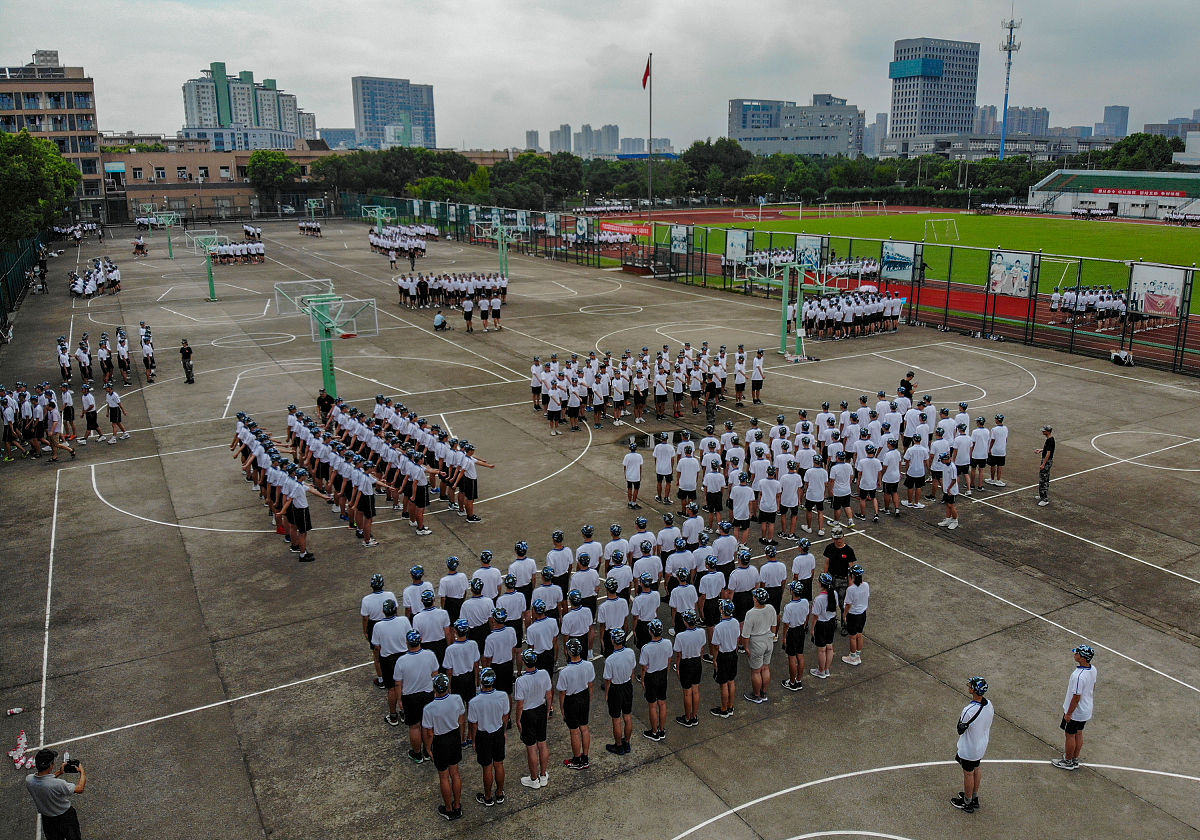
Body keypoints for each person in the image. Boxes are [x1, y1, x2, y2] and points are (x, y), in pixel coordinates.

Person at [423, 673, 467, 821]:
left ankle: (448, 808)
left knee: (444, 776)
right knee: (455, 773)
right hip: (454, 736)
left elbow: (429, 733)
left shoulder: (429, 708)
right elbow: (461, 720)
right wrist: (461, 737)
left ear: (434, 688)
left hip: (440, 740)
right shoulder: (456, 699)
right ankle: (457, 804)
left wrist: (429, 748)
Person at [468, 667, 510, 807]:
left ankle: (487, 796)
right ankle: (499, 792)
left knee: (487, 767)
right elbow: (505, 716)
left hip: (483, 735)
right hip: (498, 732)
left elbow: (473, 725)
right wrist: (503, 731)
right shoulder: (503, 696)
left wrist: (474, 741)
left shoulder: (475, 702)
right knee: (499, 764)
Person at [952, 676, 994, 813]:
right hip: (981, 745)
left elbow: (960, 729)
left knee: (968, 773)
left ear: (974, 690)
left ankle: (967, 802)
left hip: (970, 748)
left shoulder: (969, 710)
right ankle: (974, 797)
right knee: (977, 768)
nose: (968, 686)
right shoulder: (989, 705)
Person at [1052, 645, 1097, 771]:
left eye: (1077, 653)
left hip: (1076, 712)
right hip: (1086, 709)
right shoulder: (1093, 669)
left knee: (1070, 734)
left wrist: (1069, 713)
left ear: (1082, 657)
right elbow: (1092, 687)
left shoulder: (1078, 676)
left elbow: (1076, 697)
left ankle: (1068, 761)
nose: (1074, 654)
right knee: (1079, 732)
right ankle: (1075, 758)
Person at [513, 648, 553, 790]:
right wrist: (548, 710)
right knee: (542, 743)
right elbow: (549, 695)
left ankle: (534, 778)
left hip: (528, 714)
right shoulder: (544, 674)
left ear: (524, 662)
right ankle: (543, 774)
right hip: (541, 710)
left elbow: (520, 704)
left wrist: (518, 720)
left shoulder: (521, 681)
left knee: (531, 747)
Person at [25, 748, 86, 840]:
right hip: (65, 817)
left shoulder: (29, 780)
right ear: (50, 766)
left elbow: (45, 780)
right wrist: (82, 772)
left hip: (47, 819)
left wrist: (60, 772)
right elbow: (80, 789)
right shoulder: (58, 784)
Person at [556, 638, 595, 769]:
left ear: (568, 652)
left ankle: (577, 759)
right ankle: (585, 757)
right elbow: (590, 685)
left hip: (571, 700)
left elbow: (562, 693)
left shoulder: (565, 672)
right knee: (584, 727)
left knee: (574, 731)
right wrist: (588, 699)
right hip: (584, 696)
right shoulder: (588, 665)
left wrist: (562, 708)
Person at [602, 628, 636, 755]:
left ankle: (619, 745)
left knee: (616, 719)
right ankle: (627, 742)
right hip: (627, 685)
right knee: (627, 716)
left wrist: (607, 694)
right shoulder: (630, 653)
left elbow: (608, 680)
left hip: (616, 688)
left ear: (613, 641)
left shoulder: (610, 659)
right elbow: (632, 670)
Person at [742, 588, 778, 704]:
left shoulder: (751, 613)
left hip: (757, 642)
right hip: (768, 640)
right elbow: (774, 625)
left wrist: (746, 647)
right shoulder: (771, 609)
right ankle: (764, 692)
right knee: (766, 667)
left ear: (756, 599)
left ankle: (756, 695)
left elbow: (746, 635)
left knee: (756, 671)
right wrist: (772, 637)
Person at [638, 618, 672, 740]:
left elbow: (644, 667)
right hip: (662, 674)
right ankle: (662, 729)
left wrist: (642, 680)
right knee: (662, 703)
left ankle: (654, 731)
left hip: (651, 677)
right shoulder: (668, 643)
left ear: (651, 631)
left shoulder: (646, 648)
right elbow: (669, 659)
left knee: (652, 705)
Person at [709, 599, 740, 718]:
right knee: (731, 681)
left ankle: (723, 709)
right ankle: (731, 706)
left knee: (723, 683)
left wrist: (715, 660)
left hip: (723, 655)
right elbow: (737, 639)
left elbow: (716, 646)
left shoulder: (719, 627)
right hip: (733, 653)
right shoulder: (736, 622)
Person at [809, 573, 838, 679]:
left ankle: (821, 671)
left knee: (822, 649)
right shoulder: (834, 593)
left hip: (821, 624)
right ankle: (826, 669)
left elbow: (815, 616)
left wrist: (812, 629)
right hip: (831, 622)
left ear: (821, 583)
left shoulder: (819, 599)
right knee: (829, 647)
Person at [841, 564, 869, 665]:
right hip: (862, 614)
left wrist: (844, 615)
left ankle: (852, 657)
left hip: (853, 615)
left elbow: (848, 604)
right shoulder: (866, 585)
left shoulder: (851, 589)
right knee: (859, 635)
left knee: (852, 637)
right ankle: (858, 655)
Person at [1034, 425, 1055, 506]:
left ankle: (1045, 499)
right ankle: (1041, 495)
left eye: (1044, 431)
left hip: (1046, 461)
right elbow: (1048, 450)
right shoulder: (1049, 439)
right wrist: (1041, 450)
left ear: (1048, 431)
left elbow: (1049, 453)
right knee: (1043, 478)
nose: (1042, 432)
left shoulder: (1050, 440)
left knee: (1044, 480)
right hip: (1046, 461)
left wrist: (1043, 464)